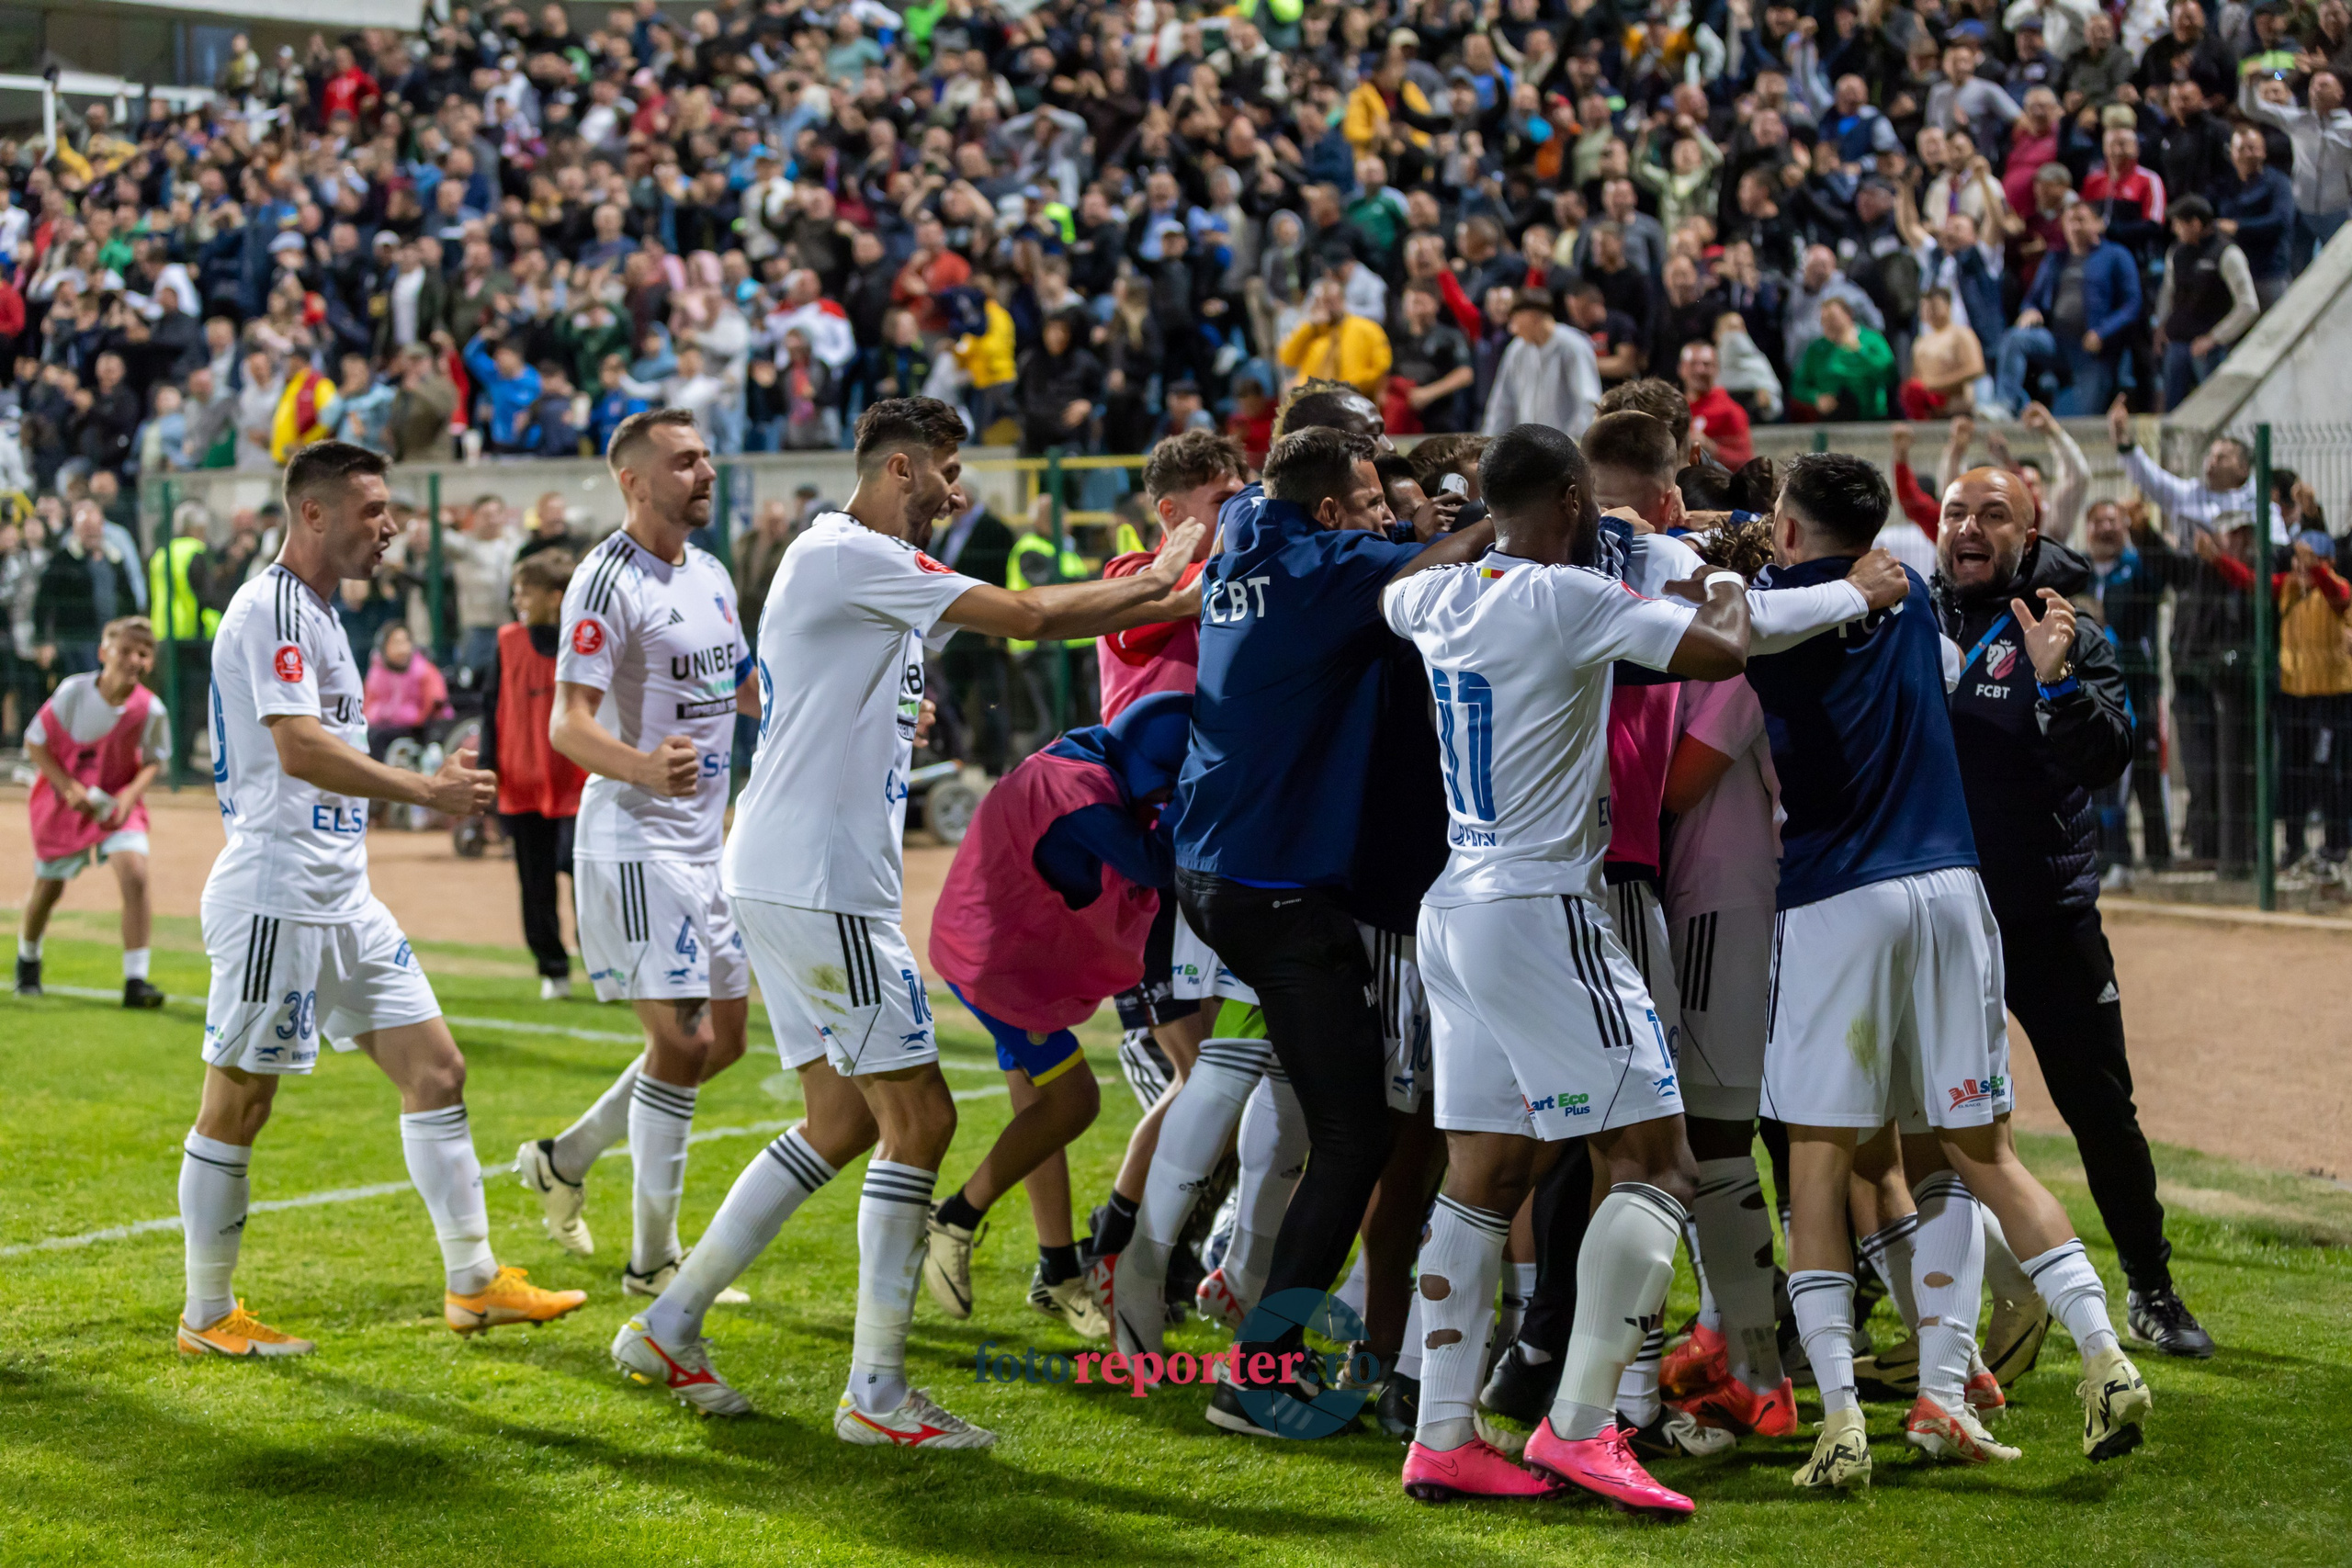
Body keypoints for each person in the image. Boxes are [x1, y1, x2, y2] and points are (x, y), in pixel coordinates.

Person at [611, 397, 1203, 1438]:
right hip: (823, 880)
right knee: (921, 1118)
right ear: (896, 468)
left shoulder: (836, 564)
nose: (954, 490)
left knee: (840, 1122)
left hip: (790, 870)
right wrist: (1163, 584)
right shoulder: (850, 553)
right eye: (943, 471)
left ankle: (667, 1324)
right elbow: (1027, 617)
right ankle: (874, 1394)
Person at [1741, 452, 2153, 1486]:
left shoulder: (1757, 609)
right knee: (1980, 1152)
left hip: (1836, 898)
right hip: (1955, 895)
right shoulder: (1925, 623)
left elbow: (1721, 640)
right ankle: (2081, 1358)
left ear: (1787, 531)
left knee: (1822, 1162)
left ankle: (1839, 1420)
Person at [1378, 420, 1767, 1513]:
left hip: (1454, 908)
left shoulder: (1434, 600)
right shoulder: (1564, 596)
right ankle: (1581, 1428)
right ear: (1568, 498)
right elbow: (1719, 652)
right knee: (1655, 1162)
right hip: (1544, 909)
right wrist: (1717, 578)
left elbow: (1399, 581)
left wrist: (1472, 530)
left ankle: (1444, 1434)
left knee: (1486, 1175)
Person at [175, 441, 584, 1359]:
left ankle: (475, 1285)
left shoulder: (320, 613)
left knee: (436, 1070)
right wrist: (424, 793)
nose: (390, 525)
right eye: (371, 510)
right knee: (238, 1102)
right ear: (312, 513)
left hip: (339, 895)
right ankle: (206, 1314)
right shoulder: (274, 605)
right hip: (278, 894)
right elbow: (298, 748)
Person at [1930, 466, 2215, 1359]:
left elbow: (2107, 754)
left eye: (1990, 515)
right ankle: (1912, 1302)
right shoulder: (1907, 620)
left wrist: (2053, 685)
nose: (1967, 529)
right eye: (1952, 513)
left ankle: (2152, 1289)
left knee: (2100, 1111)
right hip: (1937, 921)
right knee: (1913, 1117)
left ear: (2027, 527)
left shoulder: (2068, 627)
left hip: (2048, 919)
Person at [514, 409, 755, 1300]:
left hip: (705, 846)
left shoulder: (714, 573)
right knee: (680, 1040)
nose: (704, 473)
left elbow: (743, 684)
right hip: (633, 839)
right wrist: (645, 767)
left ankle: (563, 1158)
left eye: (705, 458)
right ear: (635, 480)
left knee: (719, 1041)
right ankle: (653, 1262)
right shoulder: (604, 581)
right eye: (684, 461)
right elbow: (567, 724)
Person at [922, 690, 1193, 1337]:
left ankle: (1057, 1271)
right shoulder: (1085, 797)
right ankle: (954, 1217)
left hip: (999, 947)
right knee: (1075, 1100)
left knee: (1037, 1109)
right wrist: (1197, 798)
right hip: (996, 963)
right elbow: (1156, 863)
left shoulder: (1084, 754)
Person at [16, 615, 167, 1008]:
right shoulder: (72, 693)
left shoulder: (151, 710)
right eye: (126, 650)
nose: (134, 659)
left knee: (134, 873)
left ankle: (136, 981)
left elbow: (154, 760)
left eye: (144, 653)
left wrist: (130, 797)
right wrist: (67, 788)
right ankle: (27, 960)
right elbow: (36, 743)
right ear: (103, 653)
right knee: (49, 890)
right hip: (63, 803)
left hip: (116, 803)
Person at [479, 551, 587, 999]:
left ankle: (602, 961)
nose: (517, 599)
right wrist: (488, 769)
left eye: (527, 590)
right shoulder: (507, 642)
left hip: (578, 778)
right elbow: (490, 709)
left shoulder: (584, 644)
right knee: (535, 881)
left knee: (582, 871)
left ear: (557, 598)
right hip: (522, 777)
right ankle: (552, 967)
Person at [1997, 204, 2141, 416]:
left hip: (2092, 351)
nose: (2074, 227)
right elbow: (2032, 300)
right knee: (2014, 339)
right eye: (2069, 221)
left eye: (2081, 220)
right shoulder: (2055, 259)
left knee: (2085, 417)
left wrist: (2102, 332)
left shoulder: (2116, 256)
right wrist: (2031, 310)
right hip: (2057, 342)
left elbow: (2132, 305)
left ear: (2097, 224)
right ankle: (2008, 405)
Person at [2154, 196, 2259, 412]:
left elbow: (2248, 306)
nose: (2174, 230)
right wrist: (2162, 325)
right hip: (2177, 343)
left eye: (2179, 224)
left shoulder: (2228, 253)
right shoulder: (2176, 253)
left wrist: (2214, 338)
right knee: (2172, 411)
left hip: (2209, 349)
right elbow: (2169, 291)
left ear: (2196, 224)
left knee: (2212, 409)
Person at [34, 502, 138, 676]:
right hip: (75, 644)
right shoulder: (61, 561)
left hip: (112, 642)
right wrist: (43, 640)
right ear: (76, 530)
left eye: (95, 527)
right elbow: (42, 603)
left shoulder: (114, 560)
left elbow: (129, 600)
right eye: (86, 528)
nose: (91, 532)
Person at [1480, 292, 1603, 437]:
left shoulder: (1573, 345)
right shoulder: (1517, 349)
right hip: (1530, 446)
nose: (1512, 328)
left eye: (1515, 319)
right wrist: (1487, 443)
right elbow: (1502, 404)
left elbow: (1588, 402)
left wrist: (1574, 446)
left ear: (1532, 316)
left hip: (1567, 448)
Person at [1792, 298, 1894, 421]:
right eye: (1824, 320)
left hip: (1870, 416)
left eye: (1833, 319)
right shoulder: (1817, 349)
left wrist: (1859, 351)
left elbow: (1890, 375)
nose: (1829, 325)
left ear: (1848, 315)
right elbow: (1797, 385)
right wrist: (1816, 398)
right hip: (1832, 417)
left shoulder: (1872, 340)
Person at [360, 624, 452, 759]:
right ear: (384, 647)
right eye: (396, 643)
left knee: (377, 738)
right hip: (382, 725)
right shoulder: (376, 673)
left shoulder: (424, 670)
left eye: (405, 642)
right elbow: (367, 705)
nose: (402, 648)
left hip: (415, 728)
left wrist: (419, 717)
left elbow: (436, 700)